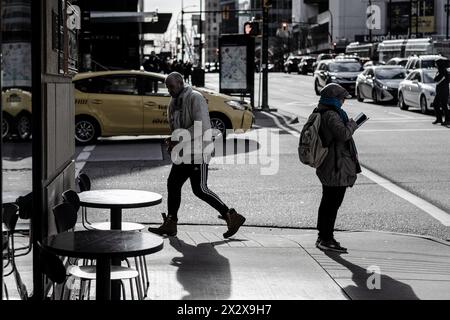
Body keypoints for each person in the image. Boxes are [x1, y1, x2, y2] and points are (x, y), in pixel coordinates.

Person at [148, 72, 246, 238]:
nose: (169, 90)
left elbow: (202, 126)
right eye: (167, 87)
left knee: (200, 189)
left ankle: (232, 216)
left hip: (199, 151)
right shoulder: (174, 102)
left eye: (171, 87)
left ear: (180, 83)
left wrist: (177, 138)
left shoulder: (195, 98)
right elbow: (176, 128)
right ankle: (171, 223)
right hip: (184, 152)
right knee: (173, 184)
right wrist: (173, 141)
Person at [315, 83, 361, 253]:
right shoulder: (331, 115)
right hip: (335, 163)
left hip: (331, 162)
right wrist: (352, 124)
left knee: (329, 200)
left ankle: (324, 236)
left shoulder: (323, 111)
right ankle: (326, 238)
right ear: (334, 99)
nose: (343, 101)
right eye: (341, 98)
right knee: (332, 202)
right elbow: (343, 135)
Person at [432, 58, 450, 126]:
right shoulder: (439, 71)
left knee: (444, 105)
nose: (435, 65)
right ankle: (439, 119)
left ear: (439, 64)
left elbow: (436, 79)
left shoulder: (443, 72)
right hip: (439, 91)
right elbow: (435, 79)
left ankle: (447, 120)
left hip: (444, 91)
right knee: (436, 104)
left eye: (436, 63)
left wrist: (436, 78)